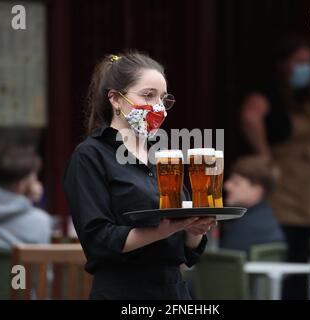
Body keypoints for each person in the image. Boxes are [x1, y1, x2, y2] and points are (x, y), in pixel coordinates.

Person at [63, 51, 216, 300]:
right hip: (122, 291)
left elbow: (188, 253)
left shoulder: (164, 154)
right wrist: (163, 230)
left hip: (173, 291)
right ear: (116, 99)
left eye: (163, 99)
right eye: (148, 95)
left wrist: (195, 228)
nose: (157, 106)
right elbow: (98, 241)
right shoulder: (90, 156)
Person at [240, 36, 310, 298]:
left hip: (307, 187)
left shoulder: (308, 99)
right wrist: (265, 155)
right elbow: (250, 116)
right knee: (283, 249)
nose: (304, 67)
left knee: (305, 252)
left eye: (308, 62)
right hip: (281, 189)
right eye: (299, 61)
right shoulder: (267, 96)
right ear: (283, 64)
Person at [220, 155, 284, 252]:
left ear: (256, 191)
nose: (227, 186)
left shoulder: (245, 228)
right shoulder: (266, 219)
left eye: (236, 183)